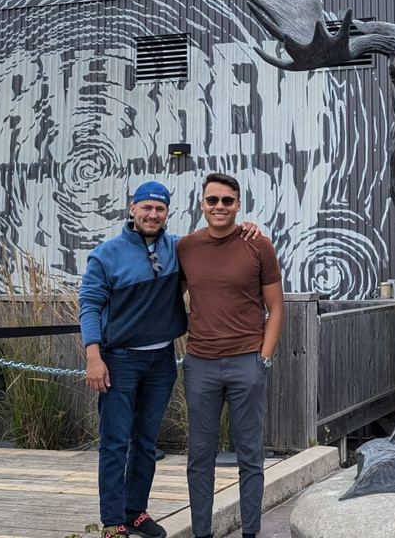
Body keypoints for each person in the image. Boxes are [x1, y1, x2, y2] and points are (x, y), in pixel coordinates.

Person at [78, 180, 260, 538]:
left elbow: (216, 240)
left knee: (146, 442)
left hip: (161, 360)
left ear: (167, 213)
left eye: (159, 208)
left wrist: (247, 229)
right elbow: (89, 305)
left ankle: (136, 512)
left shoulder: (178, 248)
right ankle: (113, 522)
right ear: (132, 209)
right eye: (146, 207)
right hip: (119, 360)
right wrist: (93, 355)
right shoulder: (106, 254)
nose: (152, 214)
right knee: (115, 442)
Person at [179, 172, 284, 538]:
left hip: (246, 363)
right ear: (202, 204)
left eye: (227, 200)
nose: (219, 206)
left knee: (250, 456)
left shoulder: (259, 245)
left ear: (238, 205)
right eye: (212, 200)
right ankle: (202, 533)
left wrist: (263, 360)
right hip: (200, 364)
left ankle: (251, 532)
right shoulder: (185, 247)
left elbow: (276, 307)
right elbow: (170, 296)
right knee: (199, 457)